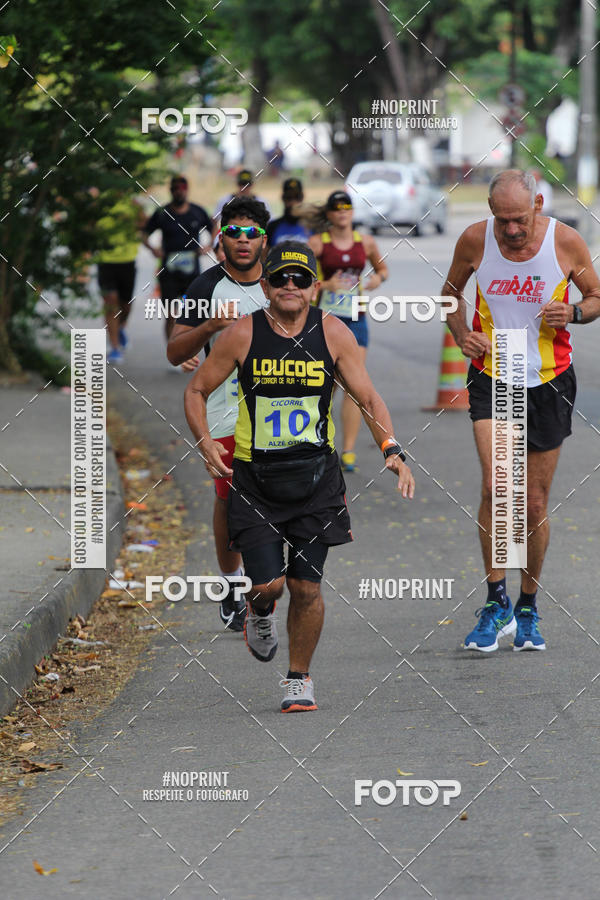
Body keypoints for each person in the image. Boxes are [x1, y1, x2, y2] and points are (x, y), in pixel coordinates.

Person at [184, 240, 414, 712]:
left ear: (314, 287)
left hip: (316, 480)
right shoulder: (241, 335)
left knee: (306, 586)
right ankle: (259, 609)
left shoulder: (333, 335)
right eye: (281, 278)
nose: (291, 286)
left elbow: (368, 398)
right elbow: (196, 389)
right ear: (265, 285)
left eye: (301, 278)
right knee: (268, 585)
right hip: (256, 481)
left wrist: (390, 448)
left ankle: (298, 679)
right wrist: (205, 441)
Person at [442, 169, 600, 653]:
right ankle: (496, 600)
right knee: (498, 484)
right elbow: (450, 294)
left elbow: (596, 298)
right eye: (501, 219)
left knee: (532, 502)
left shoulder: (565, 241)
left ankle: (527, 605)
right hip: (494, 372)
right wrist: (461, 334)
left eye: (518, 219)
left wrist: (574, 312)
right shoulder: (475, 240)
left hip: (550, 379)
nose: (510, 229)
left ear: (538, 204)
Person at [168, 198, 270, 631]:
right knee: (230, 500)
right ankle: (232, 585)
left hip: (281, 414)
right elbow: (175, 351)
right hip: (225, 415)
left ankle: (267, 583)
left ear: (265, 240)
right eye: (234, 232)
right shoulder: (205, 287)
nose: (242, 242)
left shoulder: (283, 284)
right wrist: (207, 328)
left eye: (251, 233)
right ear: (220, 238)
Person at [308, 191, 388, 473]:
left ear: (352, 212)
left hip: (355, 319)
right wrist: (323, 285)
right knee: (325, 384)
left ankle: (348, 450)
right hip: (326, 320)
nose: (342, 212)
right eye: (336, 208)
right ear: (329, 214)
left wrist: (375, 279)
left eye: (347, 207)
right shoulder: (318, 243)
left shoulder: (364, 242)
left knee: (355, 386)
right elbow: (302, 278)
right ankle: (320, 444)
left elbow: (383, 269)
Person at [143, 175, 212, 339]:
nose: (179, 192)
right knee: (171, 315)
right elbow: (144, 233)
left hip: (192, 272)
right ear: (171, 191)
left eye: (182, 189)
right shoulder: (162, 213)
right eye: (175, 189)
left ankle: (187, 352)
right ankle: (172, 351)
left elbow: (214, 227)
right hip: (169, 272)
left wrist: (208, 247)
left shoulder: (197, 211)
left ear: (187, 190)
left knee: (193, 314)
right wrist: (153, 249)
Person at [96, 195, 144, 364]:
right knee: (110, 302)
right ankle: (115, 348)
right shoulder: (100, 203)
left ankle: (121, 327)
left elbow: (144, 226)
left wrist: (134, 219)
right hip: (105, 261)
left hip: (127, 261)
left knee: (126, 304)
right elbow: (89, 228)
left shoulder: (133, 203)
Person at [212, 170, 270, 238]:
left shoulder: (262, 201)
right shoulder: (224, 200)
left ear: (252, 185)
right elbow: (216, 224)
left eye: (247, 184)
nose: (244, 188)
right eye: (242, 184)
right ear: (237, 183)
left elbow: (268, 225)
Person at [265, 178, 311, 247]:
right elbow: (264, 255)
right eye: (289, 197)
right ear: (283, 198)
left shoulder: (313, 227)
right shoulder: (272, 227)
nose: (293, 202)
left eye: (297, 197)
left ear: (302, 198)